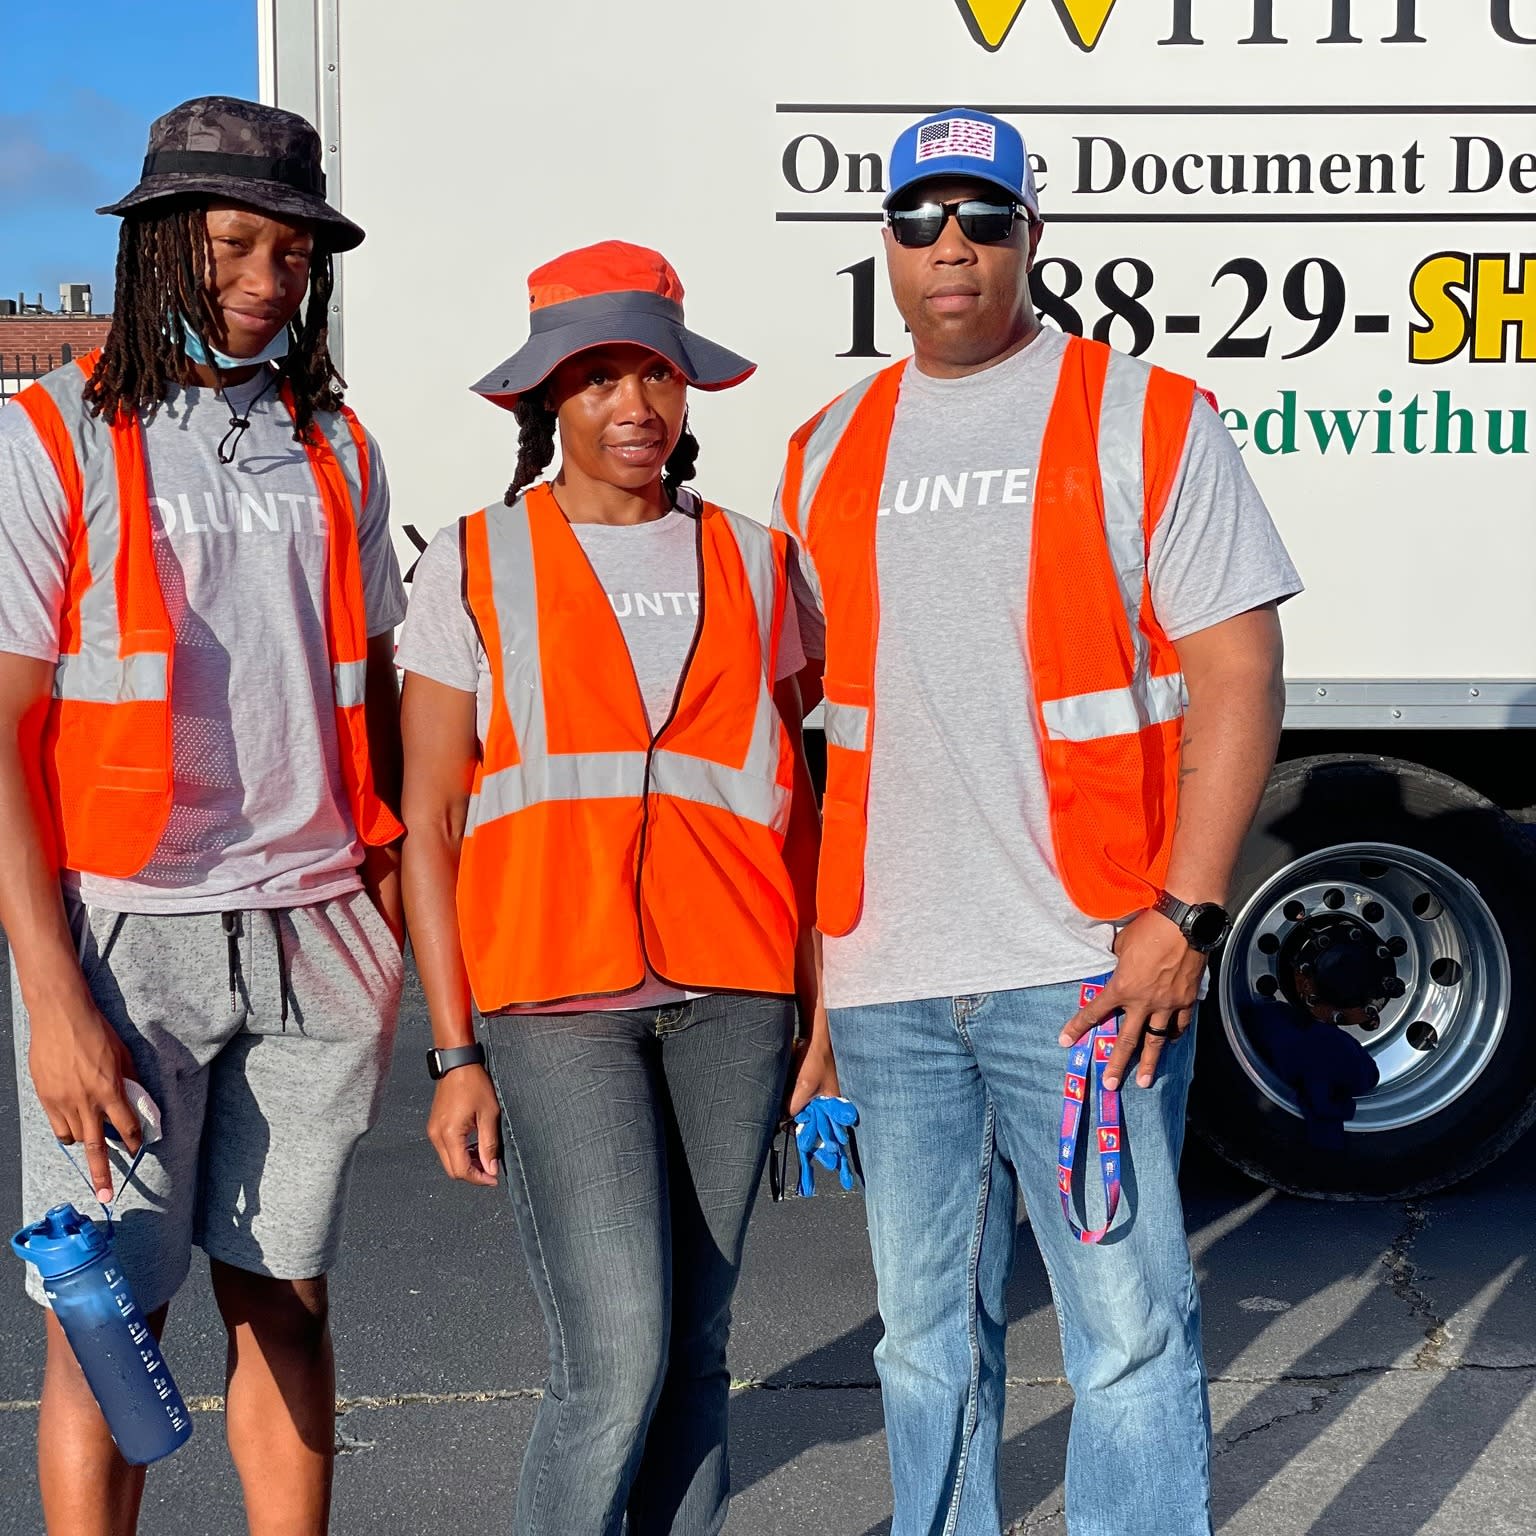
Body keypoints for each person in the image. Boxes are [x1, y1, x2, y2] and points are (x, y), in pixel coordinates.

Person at [772, 109, 1303, 1535]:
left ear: (1032, 236)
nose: (951, 245)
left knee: (1125, 1331)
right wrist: (822, 996)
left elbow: (1240, 677)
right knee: (919, 1342)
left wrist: (1183, 918)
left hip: (1086, 968)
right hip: (888, 980)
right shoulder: (825, 449)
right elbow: (813, 742)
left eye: (983, 217)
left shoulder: (1148, 416)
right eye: (921, 219)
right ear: (887, 246)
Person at [0, 97, 406, 1536]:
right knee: (107, 1322)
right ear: (161, 242)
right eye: (235, 244)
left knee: (286, 1301)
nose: (267, 279)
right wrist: (53, 999)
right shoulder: (49, 436)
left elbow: (378, 704)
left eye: (294, 254)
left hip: (317, 930)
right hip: (126, 938)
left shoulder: (336, 444)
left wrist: (391, 931)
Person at [398, 240, 834, 1536]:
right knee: (616, 1356)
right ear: (548, 398)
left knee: (698, 1349)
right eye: (598, 378)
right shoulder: (474, 560)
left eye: (656, 373)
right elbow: (431, 823)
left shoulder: (763, 561)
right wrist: (452, 1053)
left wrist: (821, 1016)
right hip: (553, 1000)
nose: (634, 405)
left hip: (737, 993)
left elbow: (803, 806)